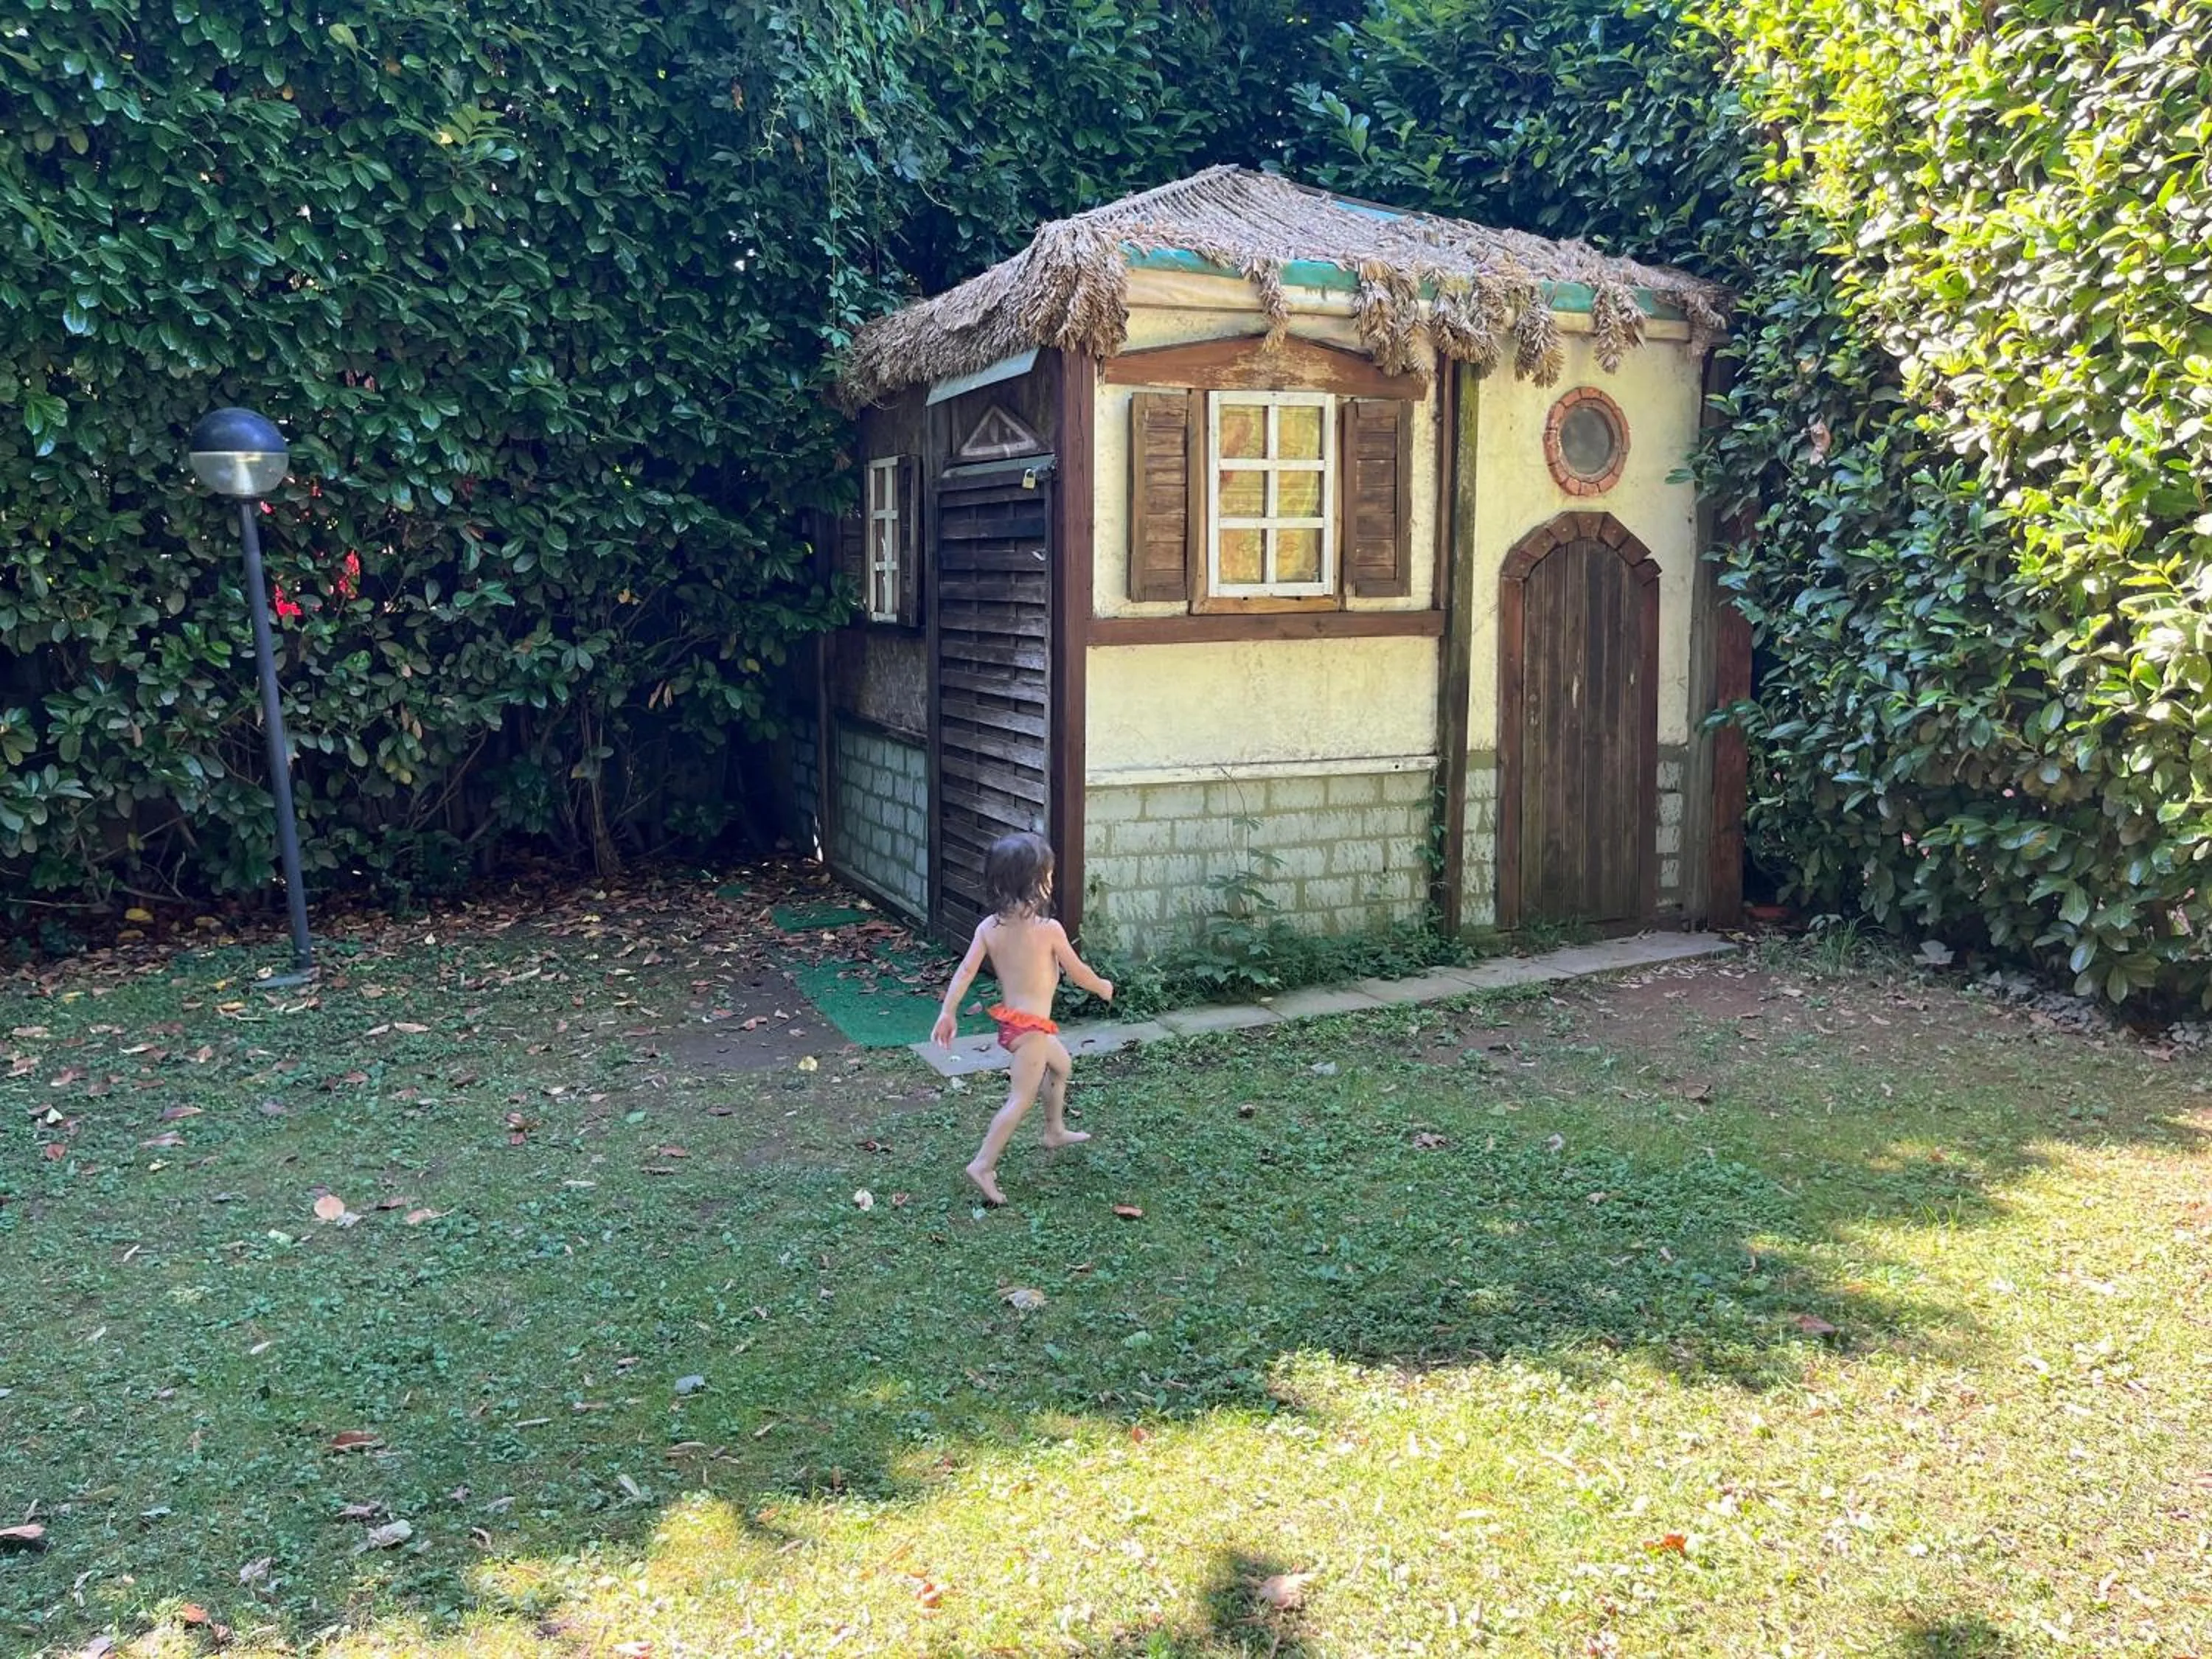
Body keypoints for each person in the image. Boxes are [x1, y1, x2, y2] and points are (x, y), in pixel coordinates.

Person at [931, 832, 1113, 1205]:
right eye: (1048, 876)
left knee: (1061, 1066)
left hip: (1015, 1024)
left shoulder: (988, 929)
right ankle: (982, 1164)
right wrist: (1103, 986)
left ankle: (1054, 1131)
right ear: (1036, 884)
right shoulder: (1049, 930)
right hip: (1031, 1030)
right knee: (1020, 1099)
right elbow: (1079, 973)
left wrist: (948, 1012)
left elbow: (964, 972)